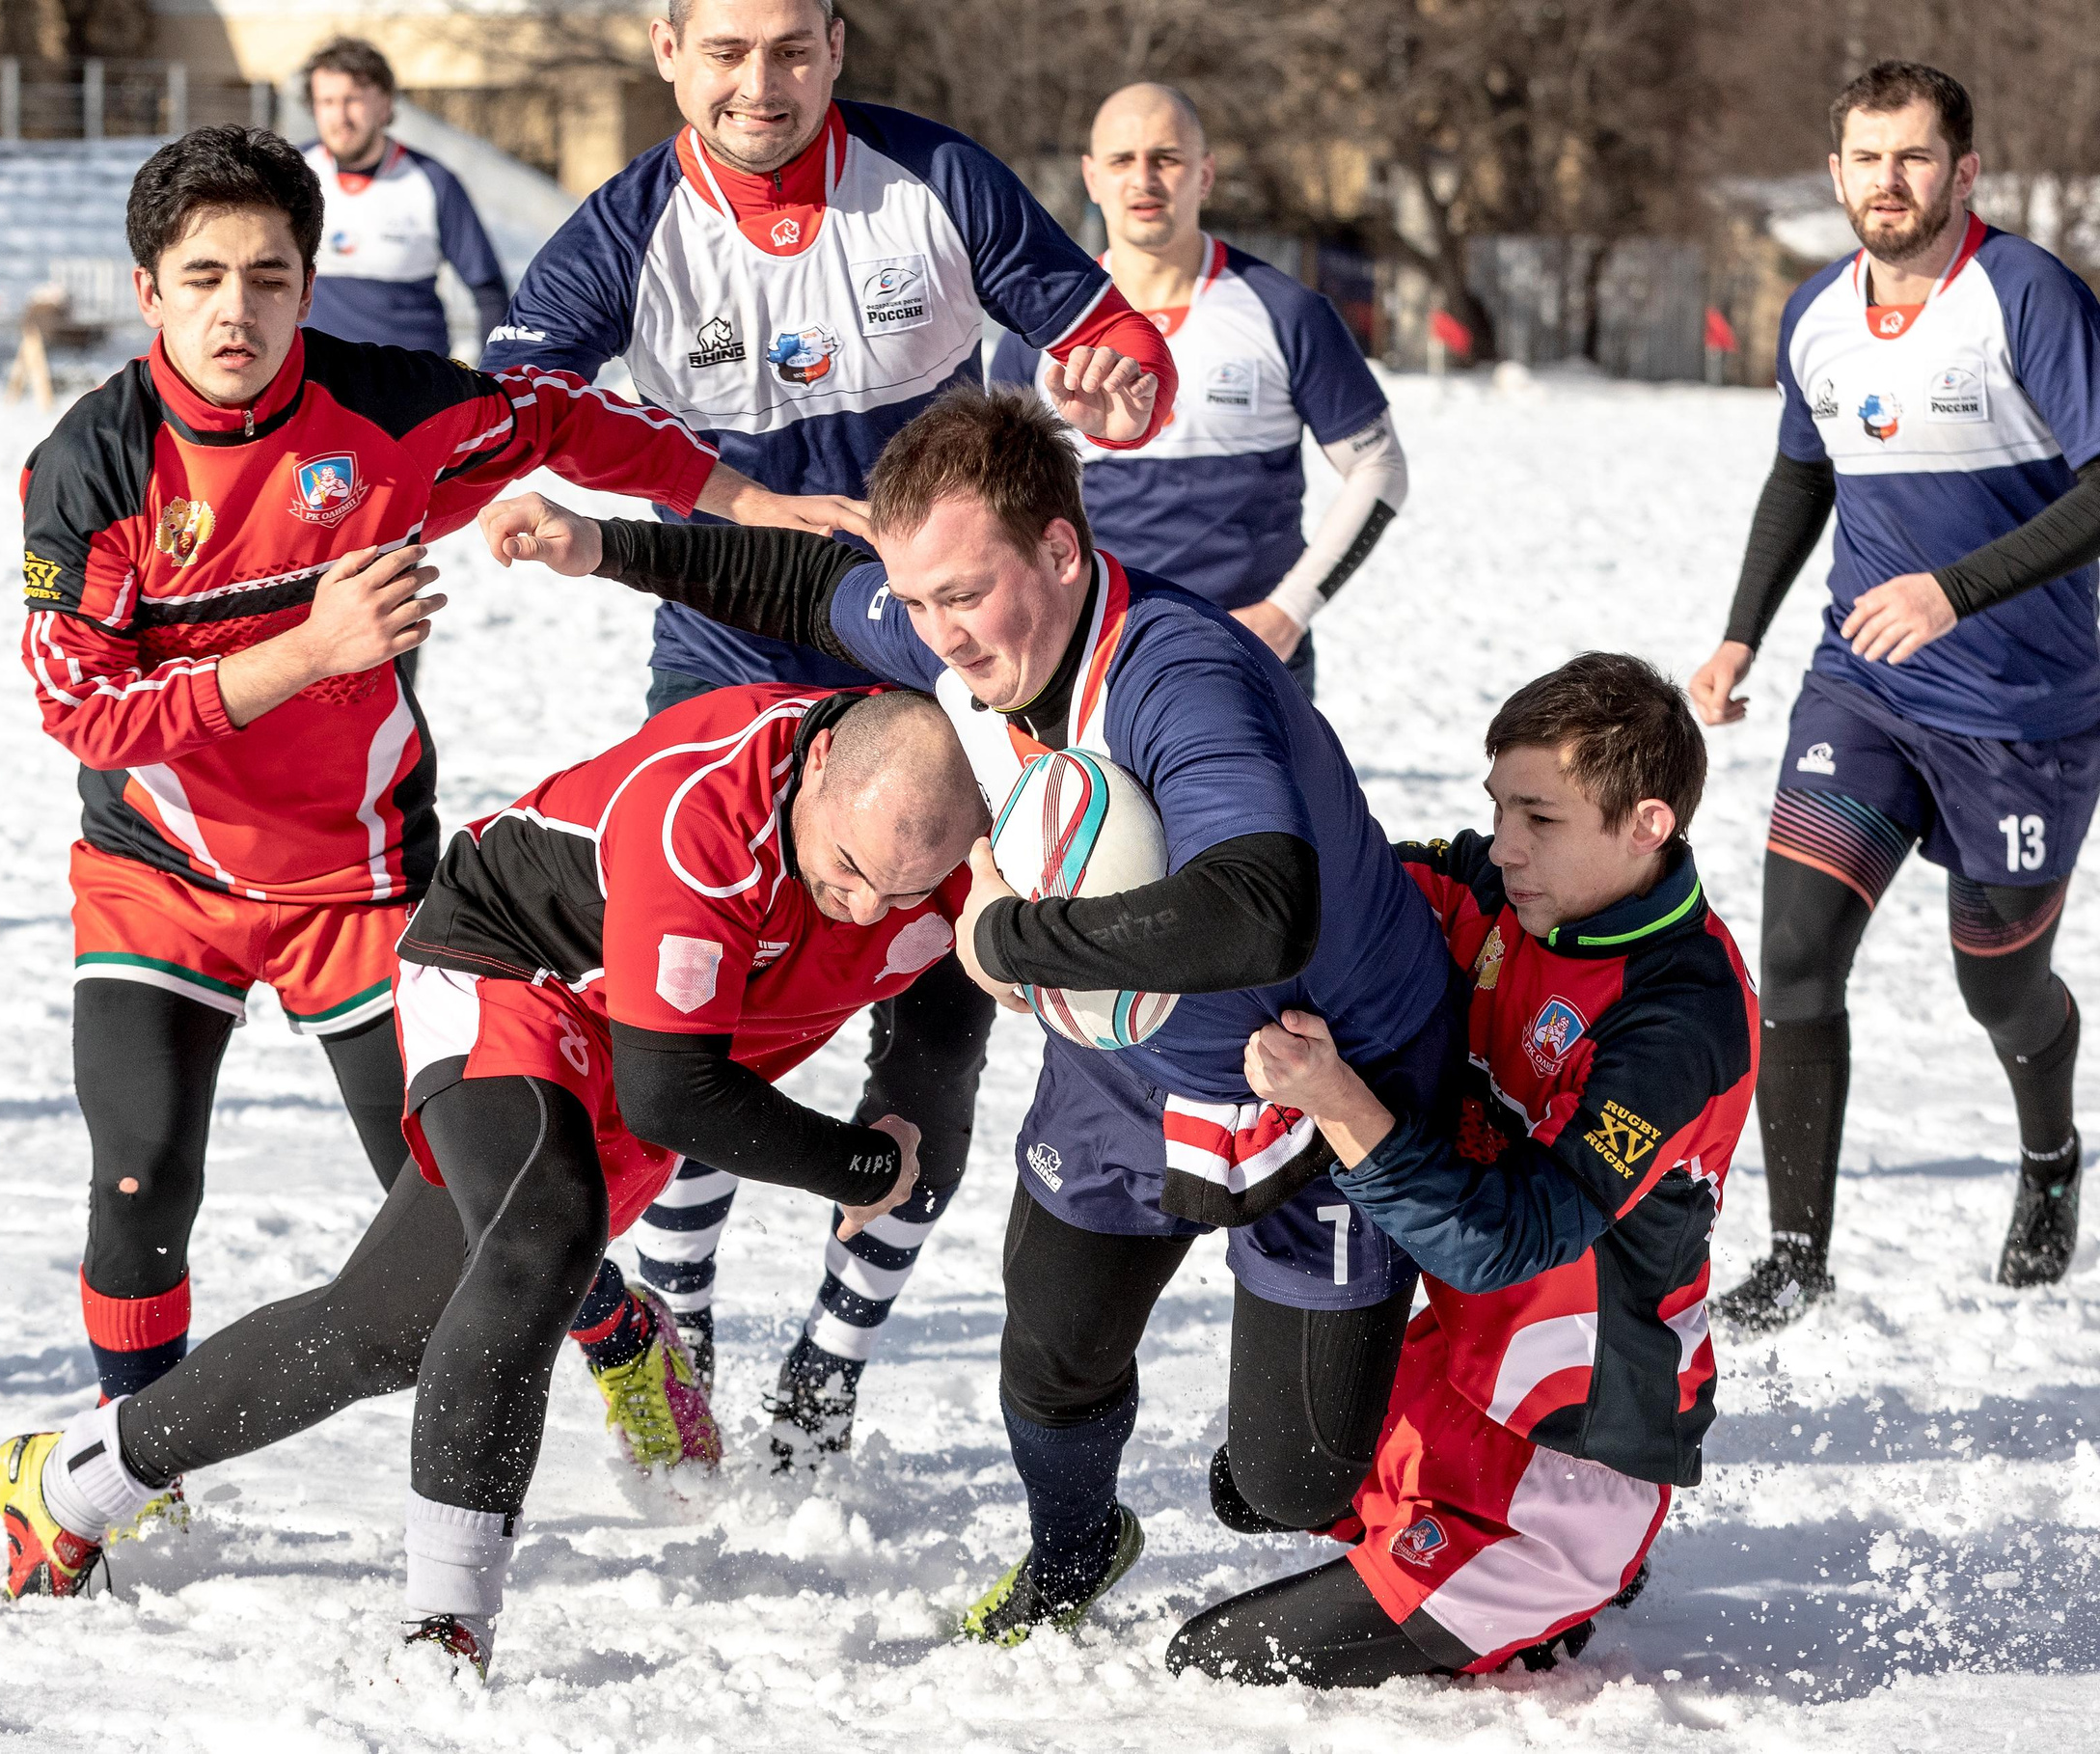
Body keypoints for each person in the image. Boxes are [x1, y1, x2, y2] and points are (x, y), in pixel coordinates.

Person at [479, 384, 1459, 1644]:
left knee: (1291, 1483)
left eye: (963, 594)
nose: (938, 634)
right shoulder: (961, 639)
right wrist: (605, 545)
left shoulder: (1179, 674)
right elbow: (802, 586)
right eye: (917, 601)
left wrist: (1006, 940)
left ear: (1061, 549)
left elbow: (1262, 909)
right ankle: (1073, 1550)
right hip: (1121, 1064)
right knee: (1050, 1351)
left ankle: (1363, 1422)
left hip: (1322, 1073)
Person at [17, 124, 859, 1411]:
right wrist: (311, 650)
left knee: (470, 1196)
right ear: (149, 291)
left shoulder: (390, 413)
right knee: (140, 1179)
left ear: (310, 284)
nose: (236, 308)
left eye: (268, 276)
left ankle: (618, 1334)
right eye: (203, 278)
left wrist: (745, 502)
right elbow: (83, 710)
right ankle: (127, 1462)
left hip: (358, 882)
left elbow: (562, 419)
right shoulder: (91, 466)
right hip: (158, 877)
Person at [482, 0, 1179, 1461]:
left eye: (793, 49)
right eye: (727, 51)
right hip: (729, 662)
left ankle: (833, 1362)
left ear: (839, 48)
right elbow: (514, 398)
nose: (762, 83)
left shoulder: (937, 181)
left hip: (932, 665)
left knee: (939, 1035)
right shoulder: (627, 227)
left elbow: (1111, 339)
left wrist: (1122, 385)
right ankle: (678, 1313)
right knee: (696, 1028)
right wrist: (662, 487)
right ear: (667, 51)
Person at [0, 684, 988, 1682]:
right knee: (544, 1235)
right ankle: (446, 1629)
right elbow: (673, 1097)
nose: (867, 907)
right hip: (519, 973)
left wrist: (899, 1109)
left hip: (656, 1047)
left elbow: (943, 1031)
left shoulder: (965, 851)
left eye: (906, 890)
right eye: (850, 869)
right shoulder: (704, 811)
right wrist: (855, 1164)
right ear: (820, 767)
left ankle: (71, 1481)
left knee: (381, 1332)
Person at [1175, 653, 1755, 1685]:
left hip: (1565, 1466)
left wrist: (1338, 1100)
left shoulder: (1680, 1019)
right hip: (1455, 1375)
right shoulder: (1498, 886)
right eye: (1498, 808)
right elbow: (1341, 890)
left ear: (1647, 825)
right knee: (1262, 1482)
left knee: (1209, 1666)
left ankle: (1569, 1589)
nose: (1505, 845)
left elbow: (1503, 1242)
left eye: (1540, 818)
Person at [1689, 61, 2100, 1330]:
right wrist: (1739, 635)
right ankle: (1796, 1255)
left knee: (1999, 989)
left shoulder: (2024, 295)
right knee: (1795, 956)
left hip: (2022, 713)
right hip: (1861, 690)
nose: (1888, 180)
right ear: (1835, 174)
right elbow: (1801, 475)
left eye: (1914, 156)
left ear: (1963, 171)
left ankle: (2049, 1154)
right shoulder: (1814, 312)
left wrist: (1954, 593)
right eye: (1866, 158)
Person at [990, 84, 1407, 699]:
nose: (1144, 179)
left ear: (1205, 175)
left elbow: (1380, 468)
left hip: (1251, 657)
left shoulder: (1287, 312)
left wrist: (1288, 612)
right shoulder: (1042, 329)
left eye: (1167, 158)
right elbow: (1000, 501)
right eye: (1122, 160)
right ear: (1092, 178)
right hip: (1095, 659)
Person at [299, 37, 510, 355]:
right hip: (313, 377)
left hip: (412, 379)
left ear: (385, 105)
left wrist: (495, 372)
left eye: (352, 100)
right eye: (327, 102)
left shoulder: (432, 181)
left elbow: (489, 292)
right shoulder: (291, 174)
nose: (340, 116)